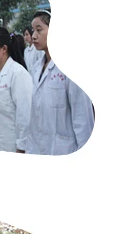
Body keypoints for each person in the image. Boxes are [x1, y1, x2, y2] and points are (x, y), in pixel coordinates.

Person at [26, 10, 94, 155]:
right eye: (33, 30)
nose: (34, 36)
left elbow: (82, 117)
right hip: (38, 148)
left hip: (64, 149)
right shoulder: (37, 68)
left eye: (39, 30)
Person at [0, 26, 33, 152]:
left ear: (4, 48)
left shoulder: (18, 74)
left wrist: (21, 147)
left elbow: (25, 115)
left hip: (11, 146)